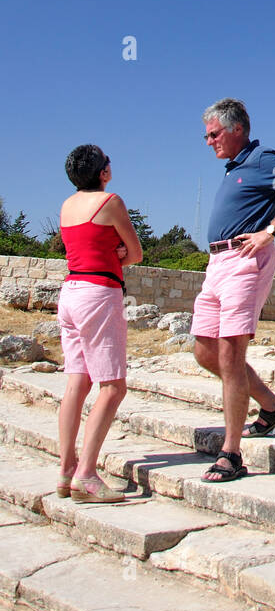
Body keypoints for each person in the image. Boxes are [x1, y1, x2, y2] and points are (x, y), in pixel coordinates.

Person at [192, 98, 275, 482]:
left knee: (230, 356)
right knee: (204, 351)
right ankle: (273, 407)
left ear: (236, 129)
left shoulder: (262, 160)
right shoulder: (234, 169)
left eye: (214, 134)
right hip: (217, 264)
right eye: (207, 135)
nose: (209, 141)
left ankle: (231, 453)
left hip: (245, 262)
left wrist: (270, 232)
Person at [57, 145, 143, 502]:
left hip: (70, 291)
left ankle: (65, 469)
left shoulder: (66, 205)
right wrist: (118, 254)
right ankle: (87, 474)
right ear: (103, 172)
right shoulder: (111, 203)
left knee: (77, 381)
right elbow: (135, 252)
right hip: (98, 292)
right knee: (112, 386)